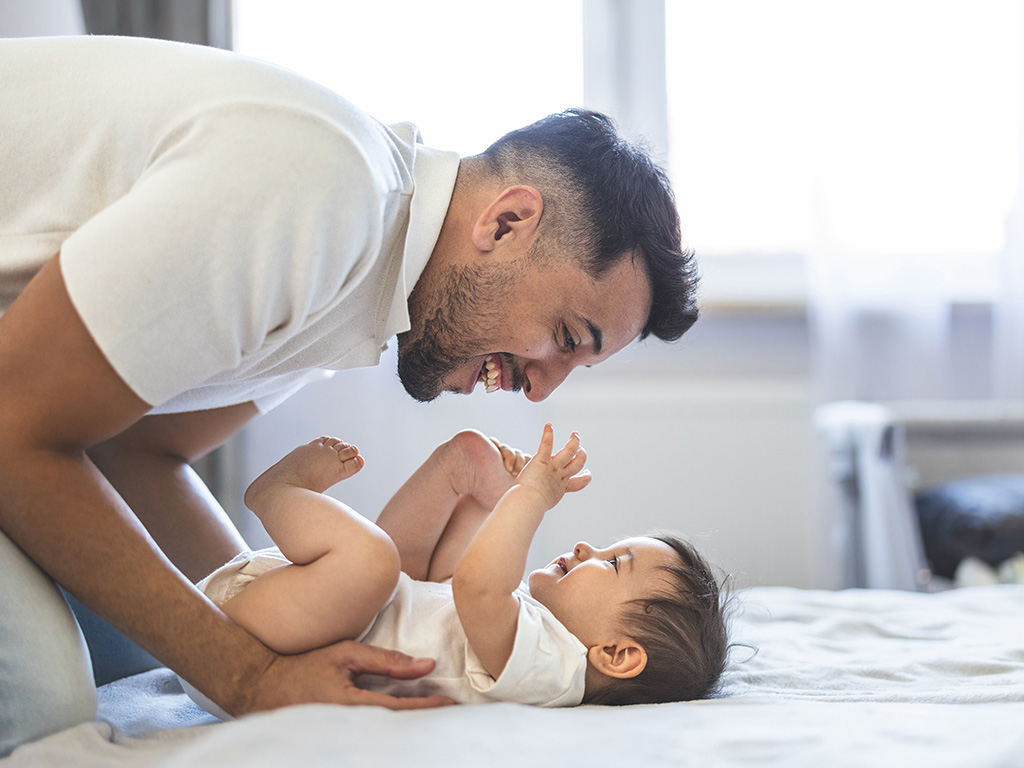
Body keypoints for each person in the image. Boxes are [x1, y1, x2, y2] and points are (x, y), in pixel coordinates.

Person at [0, 35, 699, 753]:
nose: (542, 389)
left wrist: (282, 633)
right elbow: (12, 424)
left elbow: (146, 448)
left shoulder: (357, 281)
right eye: (565, 336)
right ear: (506, 223)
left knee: (150, 647)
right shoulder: (319, 195)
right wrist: (245, 676)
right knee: (48, 707)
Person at [181, 425, 727, 714]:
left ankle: (275, 495)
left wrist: (532, 497)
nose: (587, 547)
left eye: (613, 563)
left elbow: (475, 589)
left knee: (374, 564)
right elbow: (447, 586)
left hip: (255, 648)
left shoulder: (555, 669)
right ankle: (463, 465)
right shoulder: (530, 631)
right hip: (302, 612)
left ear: (617, 654)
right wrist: (487, 488)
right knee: (412, 572)